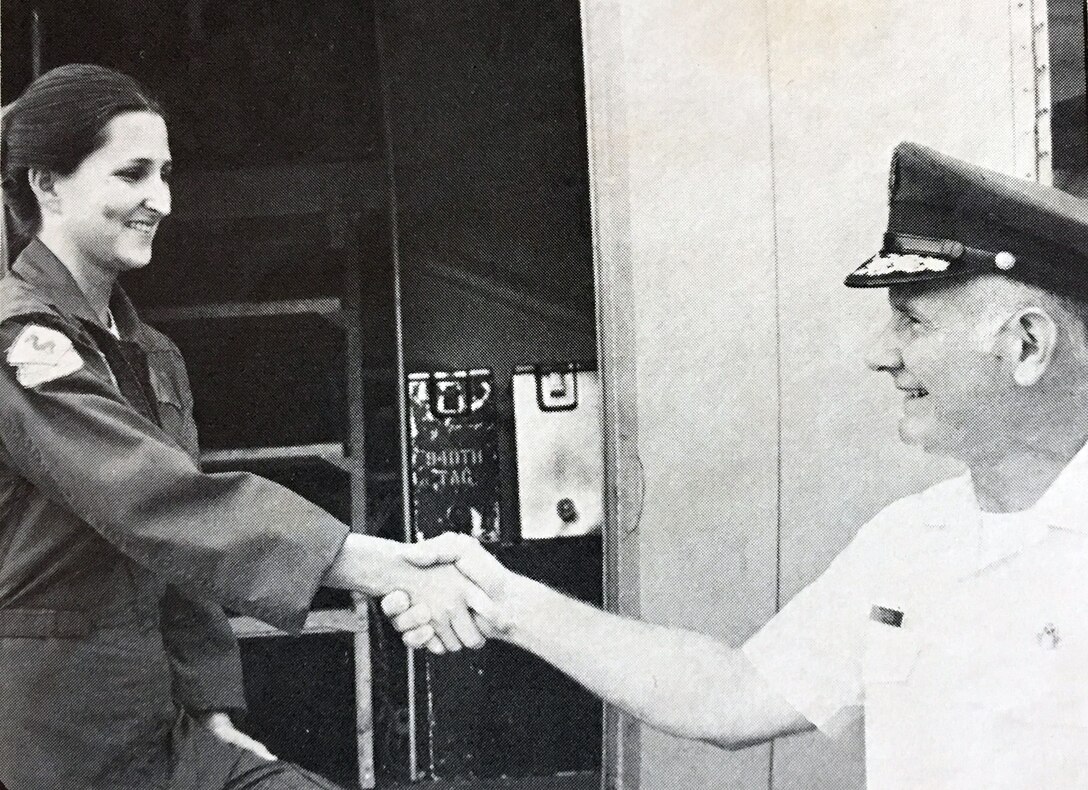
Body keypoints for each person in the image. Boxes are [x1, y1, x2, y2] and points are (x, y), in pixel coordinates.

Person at [386, 142, 1088, 788]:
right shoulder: (911, 542)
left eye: (912, 321)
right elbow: (730, 694)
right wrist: (506, 603)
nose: (879, 352)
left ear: (1026, 345)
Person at [0, 63, 495, 790]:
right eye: (132, 174)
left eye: (165, 174)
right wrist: (372, 564)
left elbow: (179, 555)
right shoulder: (20, 344)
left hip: (161, 734)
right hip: (50, 742)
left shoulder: (152, 357)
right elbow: (154, 499)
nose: (160, 201)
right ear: (48, 184)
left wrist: (210, 709)